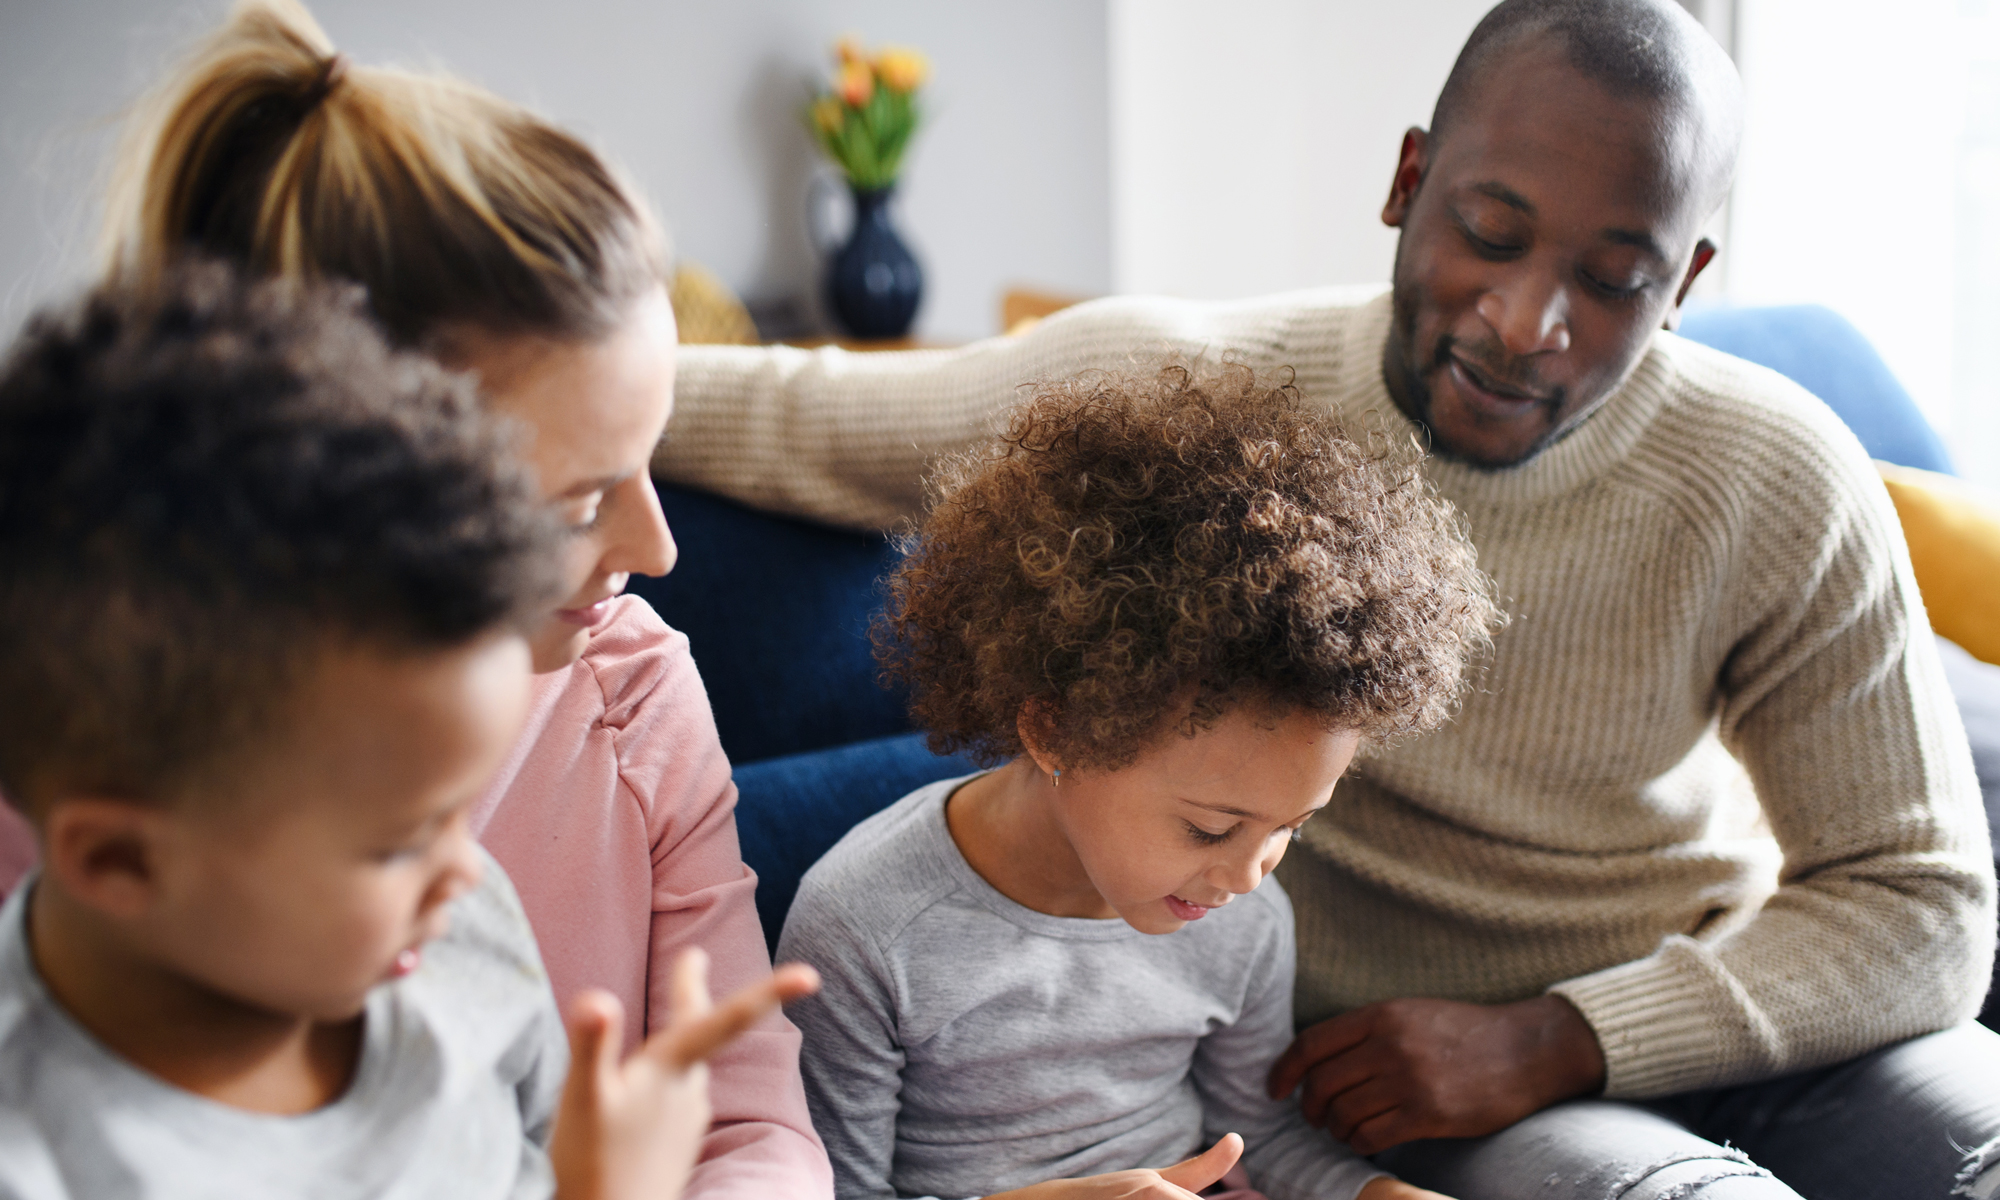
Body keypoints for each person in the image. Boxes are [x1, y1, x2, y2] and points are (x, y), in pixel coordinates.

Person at [654, 1, 2000, 1195]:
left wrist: (1567, 1034)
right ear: (1409, 182)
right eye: (1490, 232)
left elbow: (1925, 904)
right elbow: (793, 412)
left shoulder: (1777, 471)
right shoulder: (1194, 404)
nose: (1531, 322)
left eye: (1614, 280)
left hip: (1750, 1004)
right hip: (1427, 1091)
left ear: (1688, 281)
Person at [0, 2, 831, 1195]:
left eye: (655, 467)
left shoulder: (607, 712)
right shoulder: (92, 750)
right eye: (570, 501)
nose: (656, 548)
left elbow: (741, 1116)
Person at [780, 364, 1495, 1200]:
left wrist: (1376, 1195)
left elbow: (1256, 1134)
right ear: (1057, 731)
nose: (1247, 875)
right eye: (1209, 827)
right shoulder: (863, 929)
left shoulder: (1246, 920)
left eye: (1290, 827)